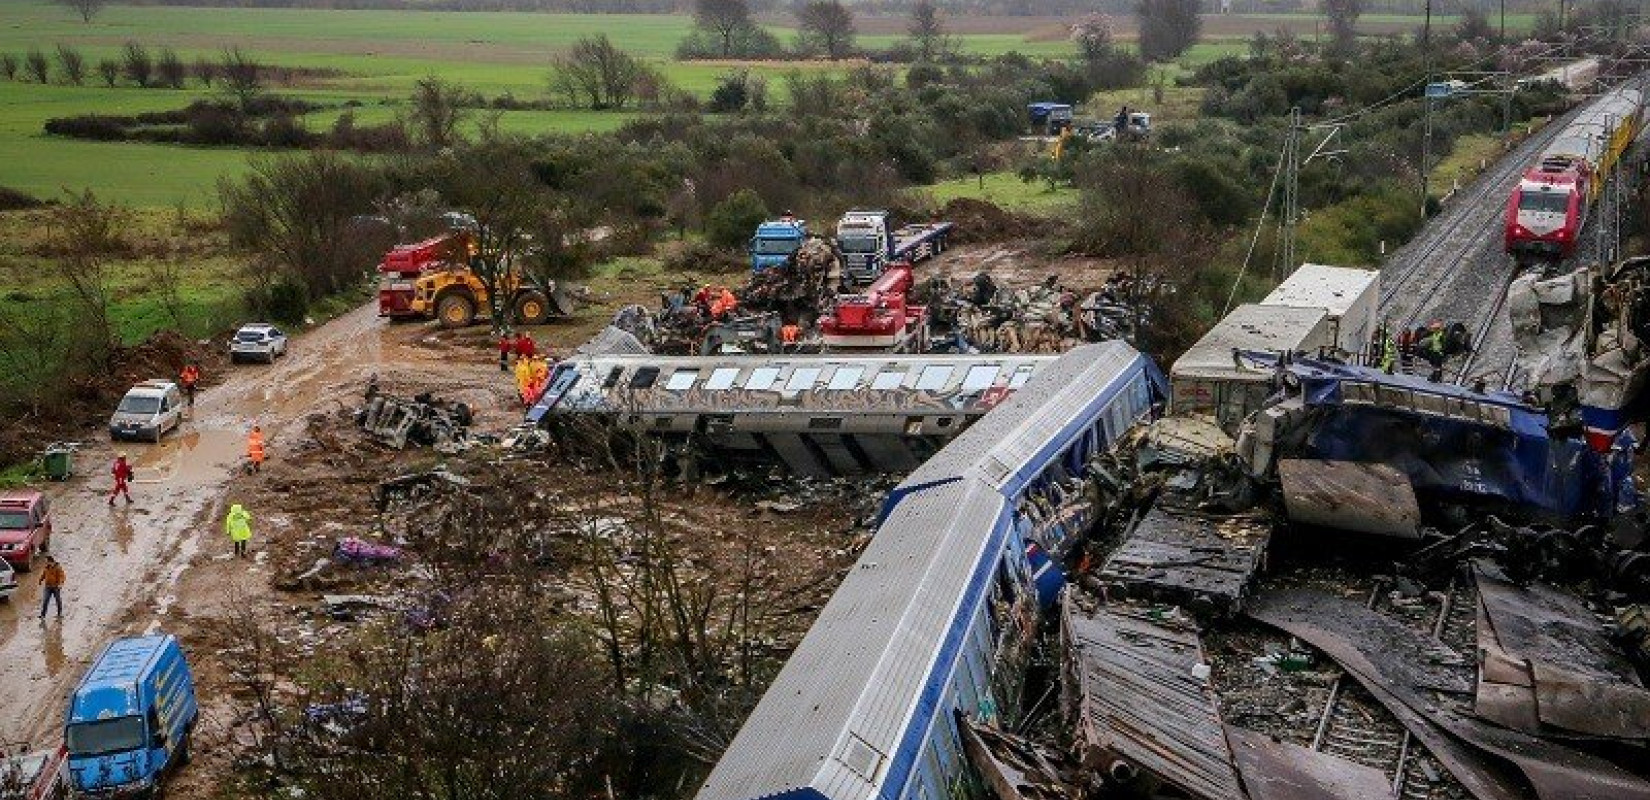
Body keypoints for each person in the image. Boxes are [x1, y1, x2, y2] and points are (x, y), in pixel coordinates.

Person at [38, 555, 65, 620]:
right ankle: (42, 615)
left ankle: (59, 613)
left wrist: (60, 584)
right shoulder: (46, 567)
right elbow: (43, 574)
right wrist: (40, 580)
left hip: (56, 587)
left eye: (46, 561)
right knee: (45, 600)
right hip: (47, 587)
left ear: (50, 561)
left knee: (58, 600)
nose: (45, 562)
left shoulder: (58, 568)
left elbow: (62, 576)